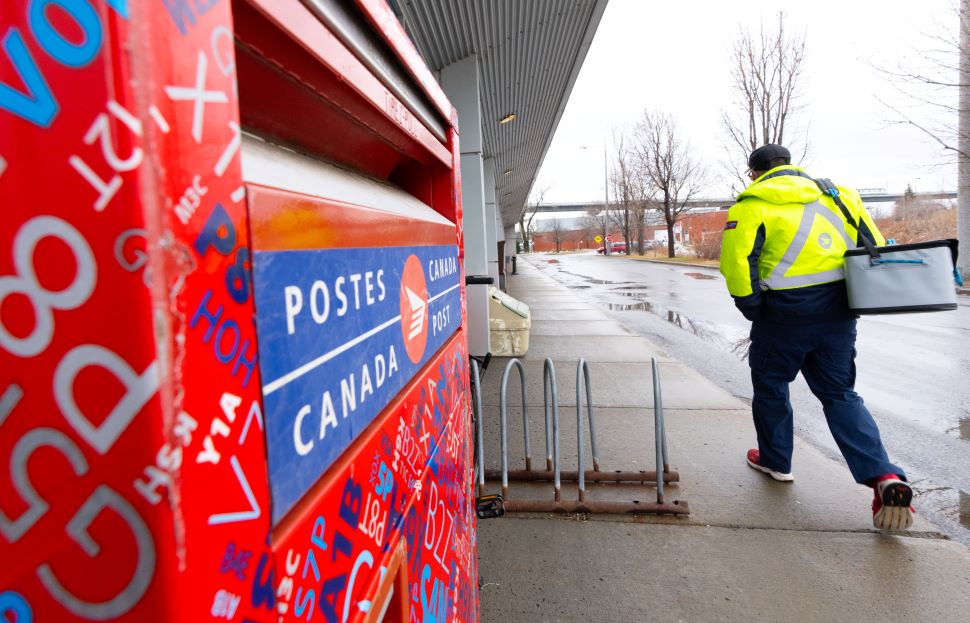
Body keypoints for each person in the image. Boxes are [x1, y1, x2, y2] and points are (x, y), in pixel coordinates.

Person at [719, 144, 915, 531]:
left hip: (782, 316)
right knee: (840, 394)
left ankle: (776, 461)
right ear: (791, 165)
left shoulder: (751, 203)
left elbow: (736, 265)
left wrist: (754, 309)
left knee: (772, 386)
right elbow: (871, 246)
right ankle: (882, 476)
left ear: (754, 172)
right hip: (838, 314)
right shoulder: (840, 195)